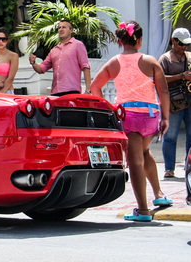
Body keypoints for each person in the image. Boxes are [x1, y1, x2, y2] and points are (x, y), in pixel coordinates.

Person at [91, 20, 172, 222]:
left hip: (127, 116)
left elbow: (94, 87)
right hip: (151, 117)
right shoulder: (152, 61)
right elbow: (163, 91)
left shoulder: (114, 62)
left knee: (135, 160)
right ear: (140, 40)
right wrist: (166, 117)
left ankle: (143, 211)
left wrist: (108, 108)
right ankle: (159, 195)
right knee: (144, 151)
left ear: (120, 41)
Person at [158, 27, 191, 178]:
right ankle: (169, 169)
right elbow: (159, 79)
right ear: (173, 41)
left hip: (189, 99)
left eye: (186, 44)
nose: (184, 47)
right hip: (174, 102)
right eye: (181, 44)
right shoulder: (165, 59)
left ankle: (188, 167)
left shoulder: (189, 57)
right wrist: (181, 76)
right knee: (170, 136)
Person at [29, 20, 92, 96]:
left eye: (64, 27)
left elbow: (86, 67)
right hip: (55, 92)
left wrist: (88, 90)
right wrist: (33, 63)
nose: (61, 29)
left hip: (72, 91)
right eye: (59, 28)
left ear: (71, 30)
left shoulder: (78, 45)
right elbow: (41, 69)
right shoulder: (54, 50)